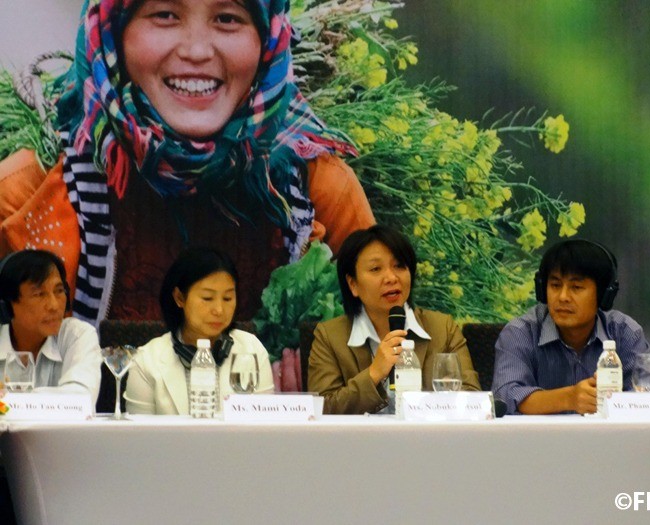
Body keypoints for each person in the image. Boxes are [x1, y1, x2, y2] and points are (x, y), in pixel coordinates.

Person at [0, 0, 374, 325]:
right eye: (165, 14)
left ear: (268, 39)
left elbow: (379, 348)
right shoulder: (26, 194)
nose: (196, 51)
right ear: (113, 32)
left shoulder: (317, 191)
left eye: (227, 18)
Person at [308, 225, 480, 414]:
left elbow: (472, 399)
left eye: (399, 266)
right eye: (375, 269)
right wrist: (374, 373)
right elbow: (322, 408)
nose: (391, 278)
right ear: (353, 284)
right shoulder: (330, 337)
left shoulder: (442, 328)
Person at [492, 239, 650, 415]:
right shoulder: (520, 333)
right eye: (555, 285)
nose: (563, 297)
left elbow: (645, 401)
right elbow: (505, 397)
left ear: (604, 294)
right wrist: (569, 398)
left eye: (576, 287)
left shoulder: (625, 333)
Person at [125, 247, 274, 414]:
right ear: (179, 298)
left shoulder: (252, 350)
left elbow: (265, 424)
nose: (219, 310)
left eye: (227, 298)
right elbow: (139, 430)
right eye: (207, 298)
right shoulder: (147, 361)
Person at [0, 249, 102, 404]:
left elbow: (80, 400)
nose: (54, 306)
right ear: (7, 306)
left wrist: (13, 399)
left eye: (59, 291)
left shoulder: (77, 335)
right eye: (39, 294)